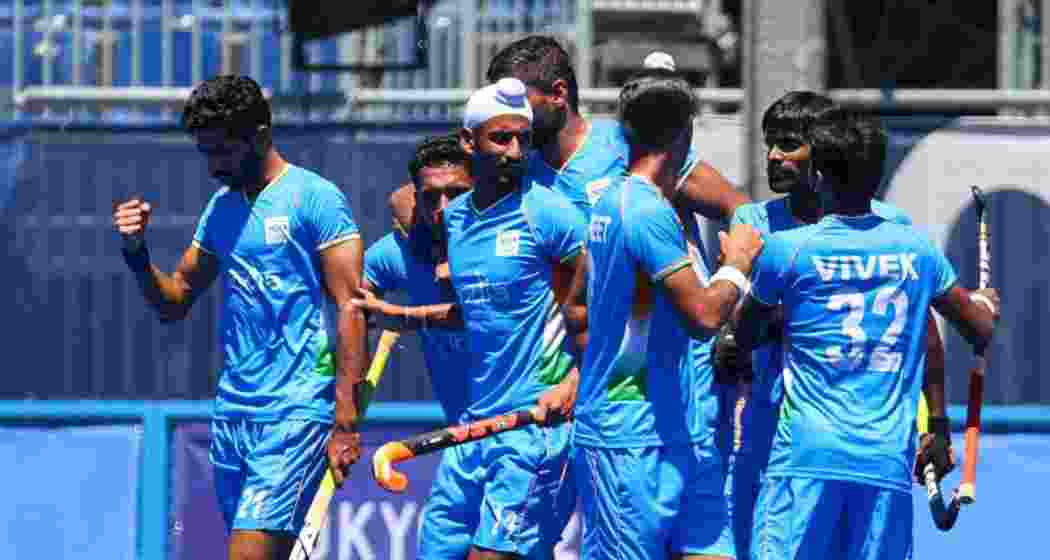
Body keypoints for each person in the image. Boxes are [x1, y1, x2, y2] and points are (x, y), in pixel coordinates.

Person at [112, 75, 367, 560]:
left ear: (259, 134)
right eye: (205, 153)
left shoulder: (316, 199)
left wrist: (346, 422)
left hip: (296, 413)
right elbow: (176, 298)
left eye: (222, 153)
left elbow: (352, 309)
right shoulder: (223, 207)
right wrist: (136, 252)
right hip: (234, 416)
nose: (212, 167)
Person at [735, 110, 1000, 559]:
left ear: (817, 176)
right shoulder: (919, 251)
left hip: (805, 459)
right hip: (882, 463)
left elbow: (742, 335)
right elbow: (978, 329)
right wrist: (986, 304)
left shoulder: (786, 250)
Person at [354, 77, 585, 560]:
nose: (515, 150)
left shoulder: (549, 214)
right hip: (471, 429)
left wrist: (574, 382)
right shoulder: (454, 220)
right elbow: (481, 309)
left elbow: (607, 307)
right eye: (501, 138)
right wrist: (406, 315)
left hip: (532, 429)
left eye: (523, 138)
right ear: (468, 141)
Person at [570, 67, 763, 560]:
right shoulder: (643, 210)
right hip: (627, 437)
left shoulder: (612, 203)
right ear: (684, 134)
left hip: (681, 430)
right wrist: (738, 264)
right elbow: (702, 315)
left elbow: (577, 305)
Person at [387, 37, 748, 227]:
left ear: (558, 94)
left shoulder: (628, 144)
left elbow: (741, 211)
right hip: (581, 362)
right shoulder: (513, 163)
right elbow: (407, 200)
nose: (506, 112)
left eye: (516, 99)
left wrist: (731, 281)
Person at [363, 133, 473, 422]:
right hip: (462, 440)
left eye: (458, 194)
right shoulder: (402, 252)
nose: (445, 208)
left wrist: (409, 317)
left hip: (531, 428)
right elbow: (351, 299)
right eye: (431, 197)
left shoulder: (513, 242)